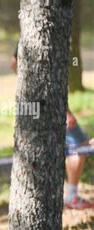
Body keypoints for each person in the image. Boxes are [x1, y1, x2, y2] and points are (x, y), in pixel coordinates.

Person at [12, 43, 94, 209]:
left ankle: (39, 198)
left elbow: (14, 63)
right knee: (79, 145)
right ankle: (70, 196)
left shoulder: (27, 39)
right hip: (48, 106)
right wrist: (66, 112)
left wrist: (24, 83)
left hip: (27, 104)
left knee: (39, 148)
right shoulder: (53, 41)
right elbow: (51, 84)